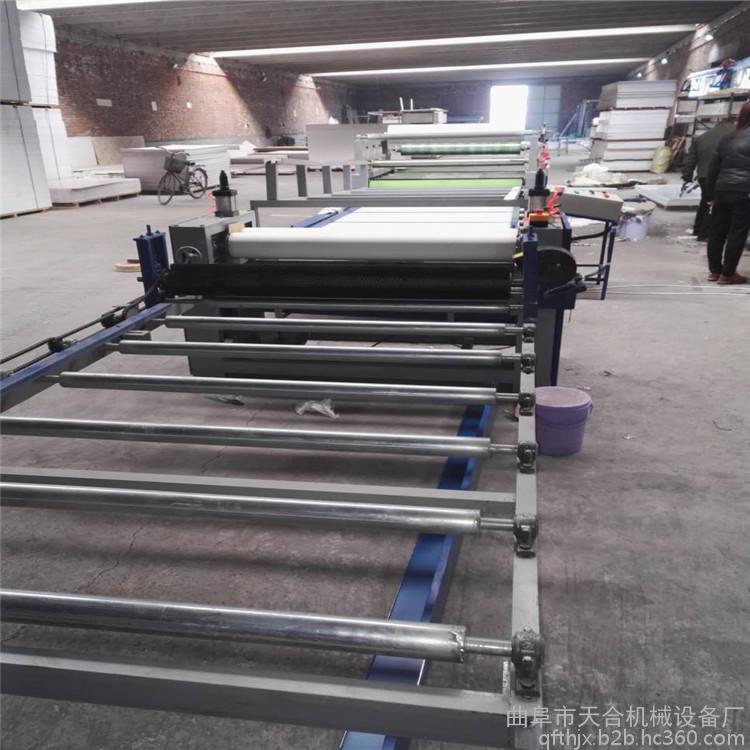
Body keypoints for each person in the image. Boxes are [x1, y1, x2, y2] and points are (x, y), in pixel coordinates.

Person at [705, 102, 750, 284]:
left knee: (717, 230)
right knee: (737, 232)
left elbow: (713, 168)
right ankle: (728, 273)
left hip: (722, 189)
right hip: (744, 191)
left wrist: (710, 195)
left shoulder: (727, 138)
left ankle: (715, 271)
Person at [680, 118, 734, 240]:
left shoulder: (702, 137)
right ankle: (705, 234)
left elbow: (690, 161)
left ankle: (698, 229)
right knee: (718, 206)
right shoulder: (736, 135)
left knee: (706, 202)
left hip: (704, 176)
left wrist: (687, 178)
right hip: (723, 176)